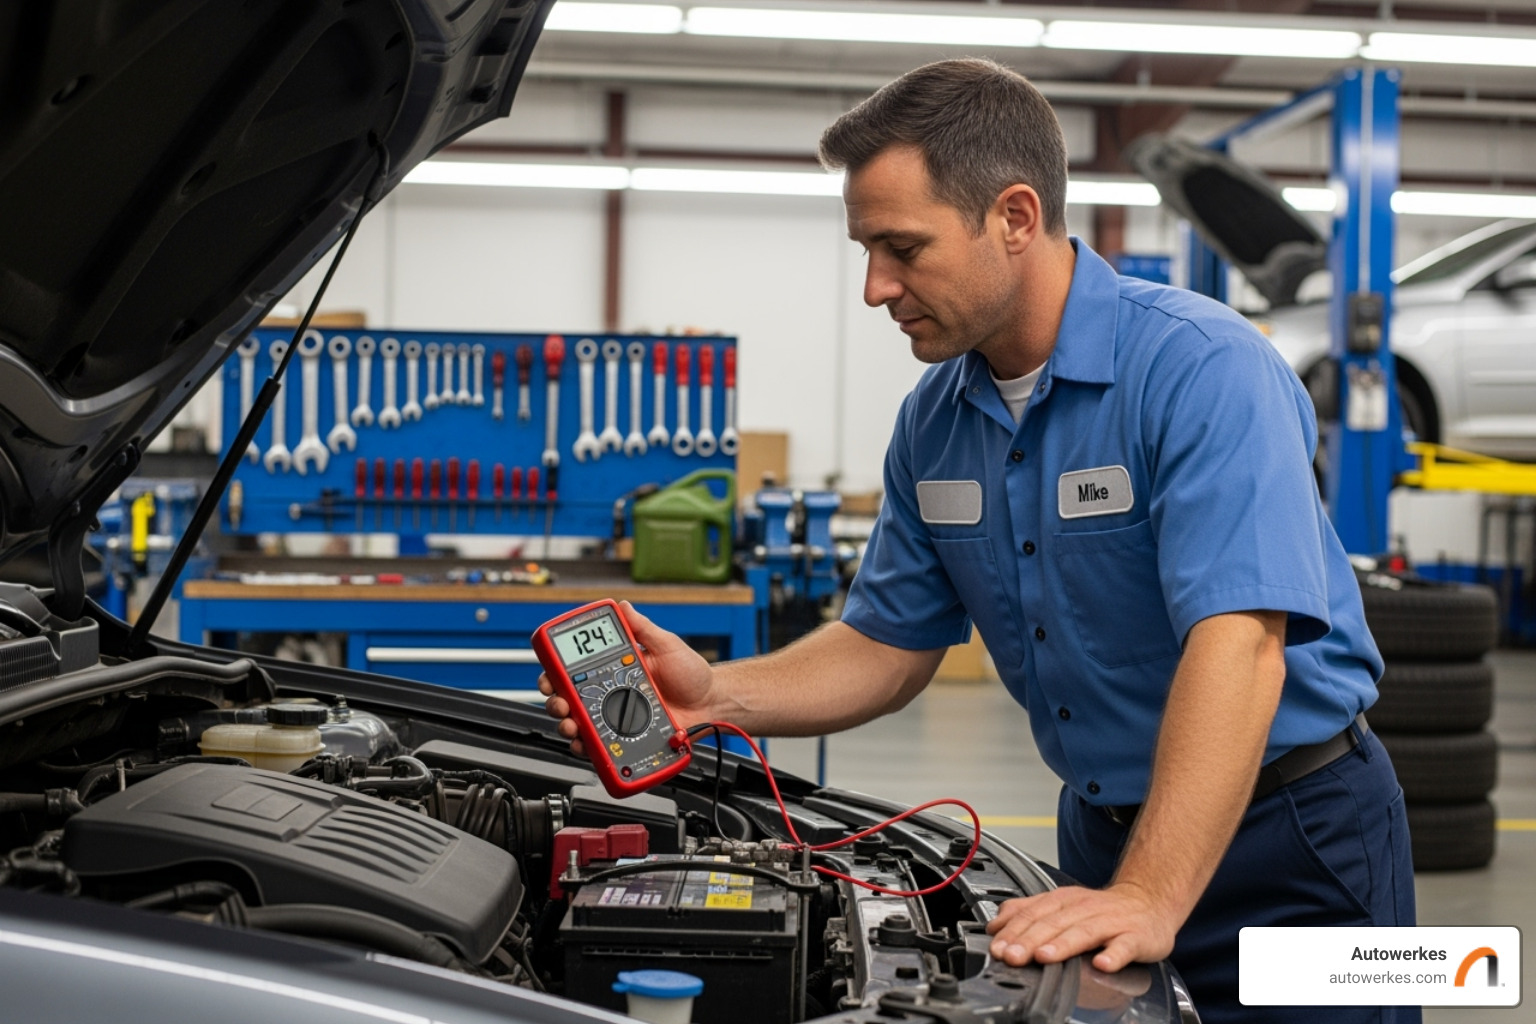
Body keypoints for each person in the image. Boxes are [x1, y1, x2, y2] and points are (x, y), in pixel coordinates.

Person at [541, 58, 1415, 1024]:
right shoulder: (936, 420)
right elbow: (889, 641)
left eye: (902, 247)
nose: (876, 286)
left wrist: (1152, 893)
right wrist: (719, 694)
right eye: (865, 250)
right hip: (1103, 837)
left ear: (1014, 217)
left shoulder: (1204, 372)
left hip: (1296, 849)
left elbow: (1242, 642)